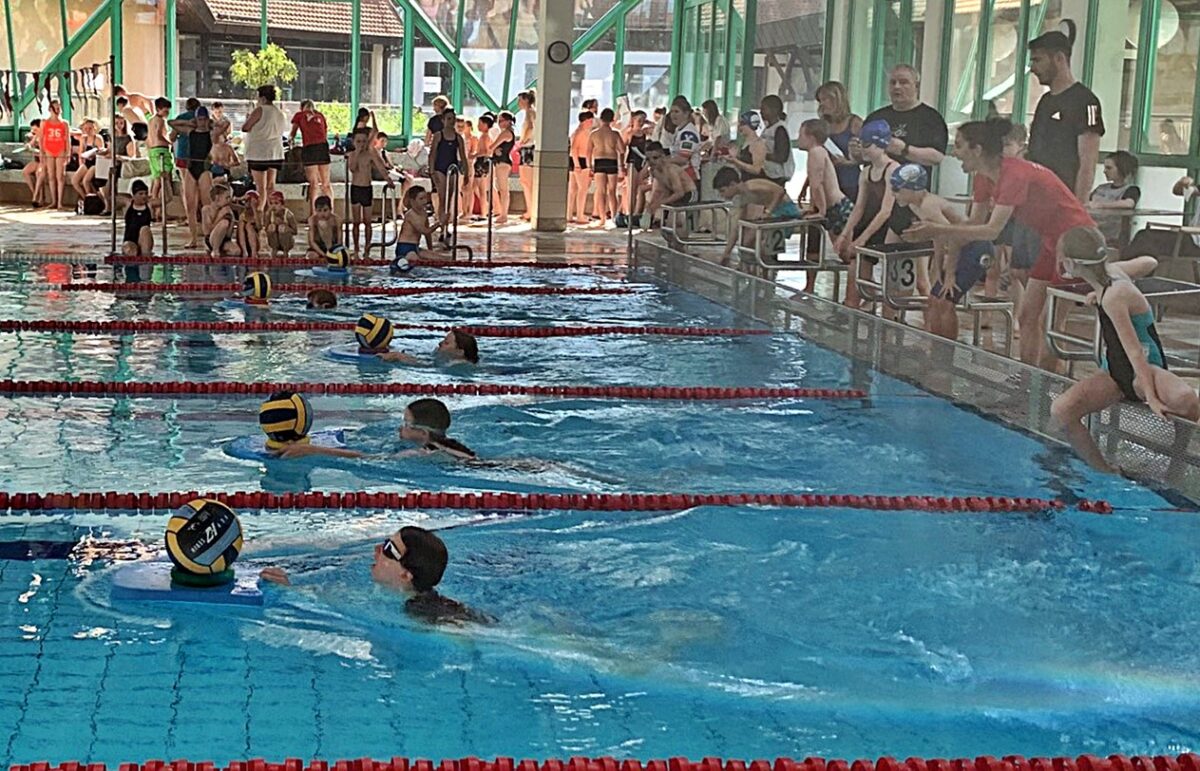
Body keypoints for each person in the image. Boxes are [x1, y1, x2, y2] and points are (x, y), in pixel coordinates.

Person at [904, 119, 1095, 370]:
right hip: (1050, 242)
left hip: (1077, 242)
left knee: (1051, 323)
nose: (954, 153)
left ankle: (1047, 387)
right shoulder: (983, 178)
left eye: (959, 146)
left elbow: (991, 230)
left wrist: (936, 229)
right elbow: (973, 224)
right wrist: (945, 251)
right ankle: (1029, 382)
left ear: (978, 149)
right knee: (1028, 317)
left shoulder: (1014, 174)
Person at [1049, 226, 1199, 472]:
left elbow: (1135, 352)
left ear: (1069, 263)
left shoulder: (1114, 296)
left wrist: (1151, 397)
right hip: (1115, 370)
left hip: (1146, 368)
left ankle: (1177, 465)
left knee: (1186, 400)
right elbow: (1149, 262)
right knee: (1062, 410)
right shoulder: (1111, 275)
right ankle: (1104, 473)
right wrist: (1095, 292)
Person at [260, 524, 493, 626]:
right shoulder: (391, 597)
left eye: (389, 550)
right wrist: (291, 589)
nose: (377, 551)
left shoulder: (425, 618)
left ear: (405, 575)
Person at [858, 64, 949, 293]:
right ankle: (866, 307)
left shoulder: (930, 119)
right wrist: (856, 151)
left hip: (909, 203)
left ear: (916, 85)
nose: (897, 87)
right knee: (863, 259)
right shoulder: (878, 117)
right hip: (877, 198)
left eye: (904, 82)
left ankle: (900, 314)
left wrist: (905, 149)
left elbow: (937, 157)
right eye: (893, 82)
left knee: (908, 270)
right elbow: (864, 154)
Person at [889, 163, 992, 341]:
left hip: (976, 248)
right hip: (962, 249)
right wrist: (938, 272)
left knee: (945, 302)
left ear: (913, 188)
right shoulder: (915, 205)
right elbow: (939, 238)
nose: (893, 194)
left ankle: (947, 353)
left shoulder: (928, 206)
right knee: (934, 300)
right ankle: (938, 348)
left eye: (897, 189)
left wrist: (949, 274)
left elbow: (953, 236)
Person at [1026, 31, 1103, 203]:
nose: (1033, 68)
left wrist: (1078, 206)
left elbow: (1087, 163)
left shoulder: (1086, 101)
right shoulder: (1045, 101)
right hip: (1036, 197)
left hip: (1062, 199)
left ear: (1059, 58)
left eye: (1038, 60)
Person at [835, 120, 899, 309]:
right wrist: (845, 234)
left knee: (893, 281)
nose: (863, 150)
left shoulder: (893, 169)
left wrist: (862, 239)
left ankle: (886, 315)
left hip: (890, 226)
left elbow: (887, 211)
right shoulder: (866, 172)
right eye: (862, 144)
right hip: (871, 221)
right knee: (856, 267)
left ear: (881, 144)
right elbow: (859, 208)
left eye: (867, 145)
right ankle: (857, 308)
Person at [714, 166, 800, 266]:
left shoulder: (752, 185)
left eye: (722, 191)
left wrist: (768, 212)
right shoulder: (743, 198)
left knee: (759, 240)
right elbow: (737, 227)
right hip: (776, 213)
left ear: (732, 184)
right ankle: (755, 268)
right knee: (746, 241)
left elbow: (780, 191)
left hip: (787, 211)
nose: (722, 195)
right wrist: (726, 253)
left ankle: (765, 266)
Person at [1122, 175, 1200, 263]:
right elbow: (1179, 191)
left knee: (1147, 238)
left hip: (1195, 244)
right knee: (1144, 236)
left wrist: (1184, 230)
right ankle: (1131, 269)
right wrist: (1182, 184)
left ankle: (1126, 270)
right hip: (1189, 237)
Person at [796, 118, 853, 240]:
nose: (798, 139)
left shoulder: (816, 153)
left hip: (837, 207)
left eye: (800, 135)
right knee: (843, 252)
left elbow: (817, 185)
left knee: (846, 252)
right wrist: (805, 192)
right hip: (835, 207)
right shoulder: (819, 151)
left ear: (811, 137)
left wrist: (821, 211)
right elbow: (814, 177)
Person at [171, 103, 214, 248]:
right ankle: (193, 238)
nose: (202, 122)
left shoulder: (211, 133)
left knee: (207, 205)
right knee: (190, 205)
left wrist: (212, 122)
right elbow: (171, 123)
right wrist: (189, 122)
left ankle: (210, 237)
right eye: (199, 119)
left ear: (207, 119)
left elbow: (225, 125)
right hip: (191, 169)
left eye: (204, 119)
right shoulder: (190, 131)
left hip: (204, 169)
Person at [347, 126, 394, 256]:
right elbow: (352, 168)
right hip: (355, 189)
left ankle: (367, 247)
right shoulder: (352, 155)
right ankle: (356, 248)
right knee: (356, 222)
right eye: (358, 142)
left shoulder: (370, 154)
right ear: (353, 142)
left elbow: (380, 166)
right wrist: (356, 152)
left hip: (366, 188)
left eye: (363, 141)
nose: (361, 144)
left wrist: (388, 179)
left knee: (368, 222)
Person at [242, 84, 290, 211]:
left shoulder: (259, 110)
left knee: (260, 188)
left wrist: (248, 118)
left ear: (262, 98)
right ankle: (272, 213)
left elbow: (245, 127)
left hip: (258, 153)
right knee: (270, 186)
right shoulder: (279, 113)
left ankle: (260, 214)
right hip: (275, 152)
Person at [816, 81, 863, 202]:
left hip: (850, 182)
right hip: (826, 182)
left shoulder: (854, 123)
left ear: (836, 100)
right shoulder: (824, 125)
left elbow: (869, 155)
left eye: (825, 99)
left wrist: (847, 162)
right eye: (820, 100)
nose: (822, 104)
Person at [1088, 151, 1141, 246]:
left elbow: (1129, 203)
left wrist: (1101, 205)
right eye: (1105, 168)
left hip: (1113, 235)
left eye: (1109, 168)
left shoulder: (1131, 189)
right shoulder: (1100, 188)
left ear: (1121, 169)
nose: (1105, 171)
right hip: (1092, 230)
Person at [429, 107, 468, 232]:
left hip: (452, 168)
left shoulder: (458, 138)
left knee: (449, 198)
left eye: (453, 119)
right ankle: (442, 225)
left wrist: (466, 173)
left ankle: (445, 225)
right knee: (442, 197)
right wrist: (431, 170)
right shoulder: (438, 136)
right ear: (443, 120)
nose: (451, 122)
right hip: (440, 168)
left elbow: (463, 156)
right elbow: (433, 153)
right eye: (449, 119)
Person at [289, 100, 332, 210]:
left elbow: (293, 133)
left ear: (302, 108)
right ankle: (330, 210)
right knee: (326, 183)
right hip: (323, 147)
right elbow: (324, 133)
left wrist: (291, 141)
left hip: (310, 148)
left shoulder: (299, 115)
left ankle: (314, 213)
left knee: (314, 184)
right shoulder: (320, 115)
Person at [588, 108, 626, 228]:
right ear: (612, 119)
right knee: (612, 191)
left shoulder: (594, 134)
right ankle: (614, 217)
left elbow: (588, 152)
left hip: (599, 161)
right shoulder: (615, 134)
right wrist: (621, 165)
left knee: (600, 191)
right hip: (612, 161)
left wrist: (590, 166)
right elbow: (622, 150)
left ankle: (602, 218)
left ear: (600, 118)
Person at [644, 141, 697, 226]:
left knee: (673, 223)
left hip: (689, 194)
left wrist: (660, 203)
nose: (651, 161)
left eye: (655, 158)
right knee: (658, 213)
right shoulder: (655, 171)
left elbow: (680, 193)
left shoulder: (671, 170)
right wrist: (651, 207)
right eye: (648, 159)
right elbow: (661, 190)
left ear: (663, 157)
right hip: (675, 194)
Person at [98, 114, 136, 216]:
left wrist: (116, 156)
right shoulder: (112, 137)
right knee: (105, 188)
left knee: (109, 187)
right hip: (111, 164)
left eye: (121, 123)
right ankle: (108, 206)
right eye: (116, 123)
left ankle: (111, 207)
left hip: (121, 165)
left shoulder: (128, 138)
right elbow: (109, 151)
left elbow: (131, 156)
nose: (119, 126)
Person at [394, 187, 440, 266]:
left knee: (443, 259)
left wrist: (430, 249)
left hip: (415, 247)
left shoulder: (424, 213)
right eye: (421, 199)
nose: (425, 201)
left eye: (425, 198)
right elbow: (424, 231)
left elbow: (427, 235)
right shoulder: (410, 215)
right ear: (413, 201)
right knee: (418, 263)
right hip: (405, 248)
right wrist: (439, 223)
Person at [146, 97, 175, 217]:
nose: (167, 113)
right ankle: (154, 207)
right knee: (163, 179)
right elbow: (158, 135)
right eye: (165, 111)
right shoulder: (161, 121)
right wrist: (169, 142)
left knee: (156, 180)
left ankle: (155, 211)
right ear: (159, 109)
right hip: (161, 151)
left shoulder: (150, 120)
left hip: (152, 151)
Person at [39, 99, 70, 210]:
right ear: (50, 109)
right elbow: (41, 138)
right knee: (51, 176)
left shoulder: (64, 123)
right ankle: (53, 201)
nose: (57, 110)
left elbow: (67, 138)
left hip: (60, 149)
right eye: (55, 108)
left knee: (60, 176)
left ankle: (60, 203)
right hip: (49, 149)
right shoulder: (44, 122)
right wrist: (41, 152)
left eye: (58, 108)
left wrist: (68, 152)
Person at [758, 95, 795, 189]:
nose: (761, 112)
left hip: (778, 175)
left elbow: (782, 156)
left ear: (774, 110)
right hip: (769, 172)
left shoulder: (780, 129)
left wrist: (761, 155)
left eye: (764, 109)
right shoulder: (767, 129)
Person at [69, 117, 106, 207]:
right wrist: (81, 165)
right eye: (86, 129)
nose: (88, 131)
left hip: (96, 163)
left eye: (90, 128)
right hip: (87, 162)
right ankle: (87, 198)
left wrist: (93, 154)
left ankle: (95, 201)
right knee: (75, 181)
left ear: (95, 128)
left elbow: (102, 152)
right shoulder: (83, 138)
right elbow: (80, 153)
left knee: (86, 181)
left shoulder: (98, 138)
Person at [489, 111, 517, 225]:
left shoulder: (506, 133)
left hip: (503, 162)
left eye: (501, 121)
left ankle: (504, 214)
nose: (499, 123)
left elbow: (492, 146)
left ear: (508, 121)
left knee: (503, 189)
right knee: (502, 189)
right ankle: (502, 212)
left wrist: (494, 149)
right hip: (502, 161)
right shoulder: (509, 133)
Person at [666, 96, 702, 184]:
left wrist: (662, 161)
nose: (673, 115)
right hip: (679, 176)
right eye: (672, 112)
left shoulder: (688, 133)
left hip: (688, 178)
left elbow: (683, 158)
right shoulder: (679, 130)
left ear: (686, 114)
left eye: (676, 112)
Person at [568, 111, 594, 225]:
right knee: (582, 189)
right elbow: (574, 149)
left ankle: (569, 214)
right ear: (586, 121)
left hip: (576, 161)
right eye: (590, 120)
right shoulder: (580, 132)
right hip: (579, 160)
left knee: (573, 190)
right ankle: (579, 215)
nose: (592, 123)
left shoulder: (579, 132)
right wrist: (578, 165)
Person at [201, 184, 239, 258]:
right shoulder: (206, 210)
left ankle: (219, 251)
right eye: (226, 198)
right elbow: (207, 231)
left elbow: (228, 234)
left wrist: (232, 219)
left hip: (224, 240)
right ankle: (215, 250)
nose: (228, 201)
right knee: (224, 223)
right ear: (217, 198)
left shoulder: (227, 210)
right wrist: (220, 216)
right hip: (211, 239)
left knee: (236, 251)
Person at [469, 113, 495, 221]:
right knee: (474, 187)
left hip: (482, 162)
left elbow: (484, 151)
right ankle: (485, 209)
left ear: (485, 125)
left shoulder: (485, 136)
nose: (478, 126)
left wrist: (474, 155)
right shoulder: (484, 136)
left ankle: (484, 213)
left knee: (481, 188)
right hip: (481, 161)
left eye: (480, 123)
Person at [516, 90, 537, 222]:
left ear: (526, 100)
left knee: (526, 181)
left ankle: (530, 210)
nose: (518, 103)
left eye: (520, 100)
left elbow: (529, 127)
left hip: (528, 147)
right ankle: (530, 209)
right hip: (530, 147)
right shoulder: (532, 111)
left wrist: (523, 139)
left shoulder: (530, 112)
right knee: (528, 182)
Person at [305, 195, 344, 260]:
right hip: (318, 247)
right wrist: (323, 254)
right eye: (319, 211)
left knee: (343, 256)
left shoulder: (337, 220)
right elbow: (312, 242)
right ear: (315, 211)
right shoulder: (312, 220)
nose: (322, 214)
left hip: (333, 247)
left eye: (325, 210)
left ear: (331, 209)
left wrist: (333, 253)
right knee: (311, 256)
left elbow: (340, 241)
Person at [121, 180, 154, 256]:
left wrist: (166, 182)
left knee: (145, 229)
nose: (144, 196)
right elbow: (110, 198)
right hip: (129, 241)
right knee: (131, 250)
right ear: (134, 195)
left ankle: (145, 257)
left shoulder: (149, 204)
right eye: (141, 194)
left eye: (146, 193)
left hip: (144, 240)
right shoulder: (128, 204)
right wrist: (111, 177)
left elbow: (167, 199)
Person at [264, 190, 298, 258]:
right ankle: (274, 249)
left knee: (282, 228)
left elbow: (295, 231)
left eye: (276, 203)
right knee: (271, 227)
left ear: (282, 205)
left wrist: (286, 228)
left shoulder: (288, 215)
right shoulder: (270, 214)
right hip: (274, 241)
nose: (273, 206)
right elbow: (266, 230)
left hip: (287, 242)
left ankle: (285, 251)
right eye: (271, 203)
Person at [22, 120, 44, 208]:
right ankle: (35, 192)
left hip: (45, 161)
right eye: (32, 130)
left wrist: (38, 151)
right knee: (25, 171)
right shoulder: (35, 136)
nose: (33, 131)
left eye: (35, 129)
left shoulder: (45, 136)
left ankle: (39, 198)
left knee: (39, 173)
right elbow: (30, 145)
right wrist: (28, 146)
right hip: (37, 160)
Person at [236, 190, 262, 259]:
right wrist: (240, 198)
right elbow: (229, 203)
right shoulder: (242, 211)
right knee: (241, 223)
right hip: (242, 243)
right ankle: (244, 251)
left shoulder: (258, 213)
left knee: (249, 226)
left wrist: (254, 208)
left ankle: (253, 252)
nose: (248, 203)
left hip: (254, 244)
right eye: (247, 201)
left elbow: (259, 227)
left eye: (250, 201)